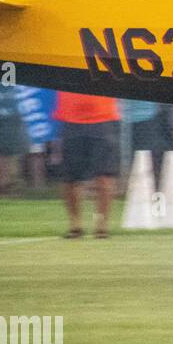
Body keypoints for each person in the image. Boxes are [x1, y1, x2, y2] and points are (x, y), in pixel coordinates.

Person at [53, 90, 121, 238]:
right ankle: (75, 225)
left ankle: (102, 226)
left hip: (103, 118)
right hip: (70, 119)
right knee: (70, 177)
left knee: (104, 175)